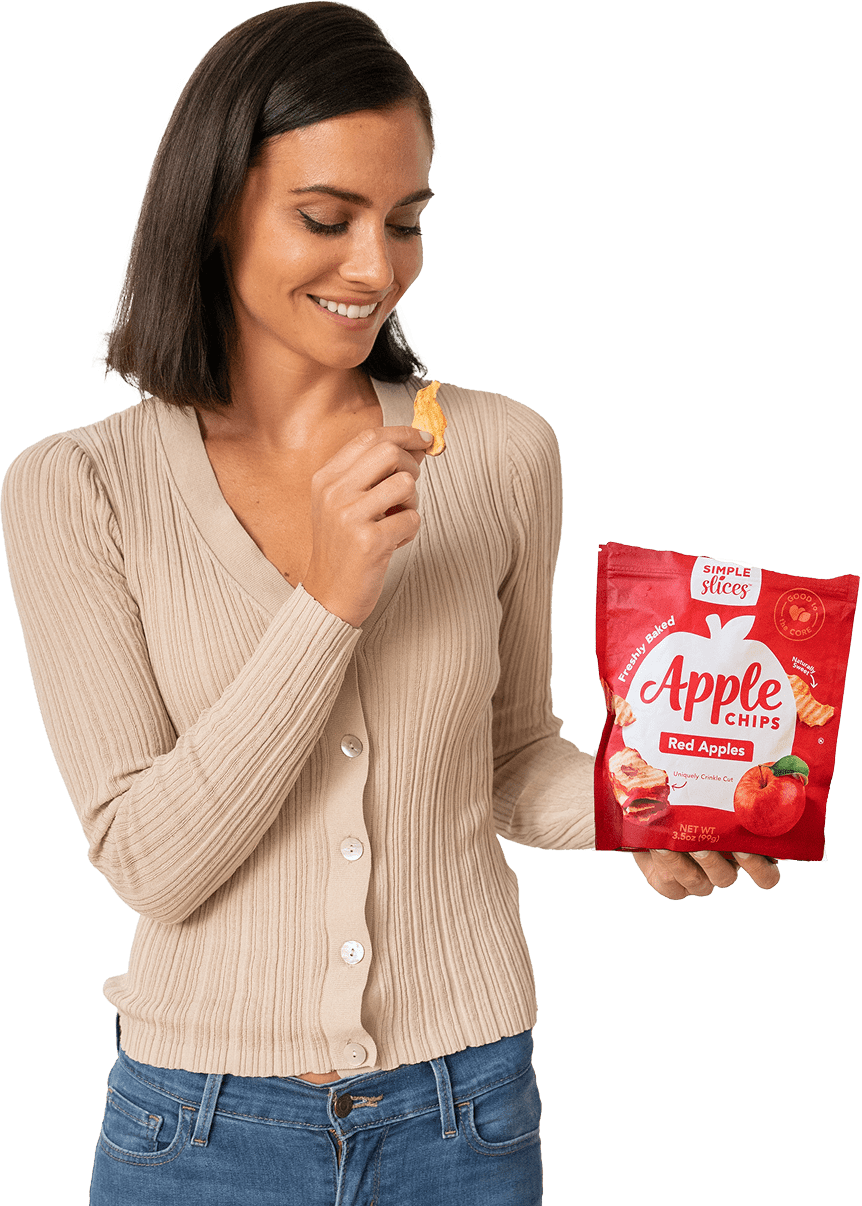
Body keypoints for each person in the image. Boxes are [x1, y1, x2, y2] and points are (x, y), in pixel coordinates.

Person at [1, 4, 781, 1203]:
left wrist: (645, 809)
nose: (377, 267)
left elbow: (512, 757)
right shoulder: (77, 488)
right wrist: (329, 597)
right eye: (326, 218)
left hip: (463, 1114)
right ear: (214, 209)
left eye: (405, 221)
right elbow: (149, 861)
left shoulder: (503, 448)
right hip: (199, 1130)